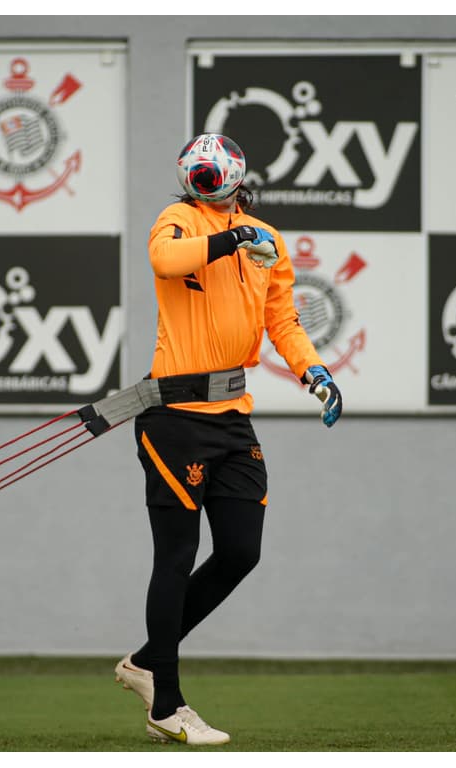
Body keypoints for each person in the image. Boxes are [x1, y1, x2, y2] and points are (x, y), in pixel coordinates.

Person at [113, 133, 342, 745]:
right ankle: (167, 702)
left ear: (237, 177)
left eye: (212, 176)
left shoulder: (266, 240)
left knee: (242, 550)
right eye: (195, 175)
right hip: (174, 416)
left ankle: (142, 662)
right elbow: (168, 262)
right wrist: (233, 237)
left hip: (231, 418)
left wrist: (312, 369)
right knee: (176, 554)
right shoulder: (178, 221)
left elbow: (283, 319)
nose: (202, 185)